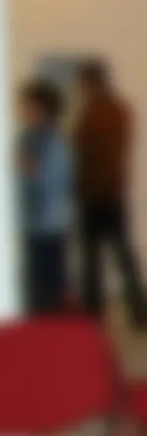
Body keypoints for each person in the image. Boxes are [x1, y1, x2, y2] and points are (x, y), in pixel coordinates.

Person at [73, 60, 146, 325]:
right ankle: (140, 311)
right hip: (114, 193)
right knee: (123, 257)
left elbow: (83, 151)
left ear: (90, 83)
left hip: (95, 194)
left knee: (93, 260)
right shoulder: (120, 110)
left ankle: (93, 317)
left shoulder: (93, 114)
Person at [18, 80, 73, 314]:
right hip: (34, 224)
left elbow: (54, 181)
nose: (24, 112)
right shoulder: (29, 138)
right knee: (36, 283)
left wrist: (29, 168)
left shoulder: (53, 143)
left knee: (49, 285)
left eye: (29, 107)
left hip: (50, 225)